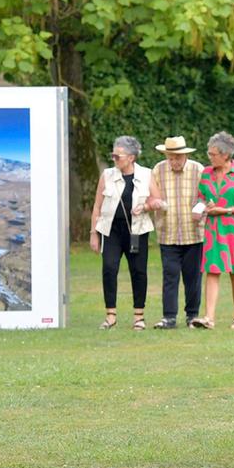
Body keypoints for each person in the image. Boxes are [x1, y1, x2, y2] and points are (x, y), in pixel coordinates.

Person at [189, 131, 234, 329]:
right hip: (214, 231)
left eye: (213, 154)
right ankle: (208, 318)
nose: (209, 157)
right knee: (212, 271)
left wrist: (226, 210)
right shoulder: (205, 174)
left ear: (226, 155)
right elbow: (202, 198)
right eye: (209, 153)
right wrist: (198, 210)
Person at [88, 136, 154, 330]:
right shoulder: (107, 175)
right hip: (111, 230)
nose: (114, 159)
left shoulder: (147, 175)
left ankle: (139, 316)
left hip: (137, 230)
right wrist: (94, 233)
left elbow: (159, 201)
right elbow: (97, 206)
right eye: (113, 155)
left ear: (132, 157)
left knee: (139, 271)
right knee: (109, 268)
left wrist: (146, 206)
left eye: (118, 156)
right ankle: (110, 315)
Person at [143, 135, 204, 329]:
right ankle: (169, 317)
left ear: (185, 155)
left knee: (193, 276)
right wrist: (155, 203)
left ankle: (192, 316)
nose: (174, 161)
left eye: (177, 157)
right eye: (170, 157)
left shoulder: (198, 170)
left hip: (193, 233)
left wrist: (200, 208)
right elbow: (150, 197)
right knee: (170, 275)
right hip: (167, 232)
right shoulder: (158, 170)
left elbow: (207, 196)